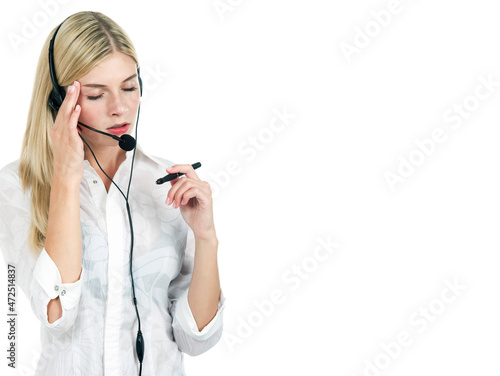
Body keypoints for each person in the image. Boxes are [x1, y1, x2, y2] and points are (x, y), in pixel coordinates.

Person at [0, 11, 225, 376]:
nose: (119, 107)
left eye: (129, 86)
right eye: (95, 93)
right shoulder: (18, 186)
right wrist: (66, 178)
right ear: (60, 100)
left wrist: (206, 238)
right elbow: (56, 313)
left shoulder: (166, 184)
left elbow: (195, 339)